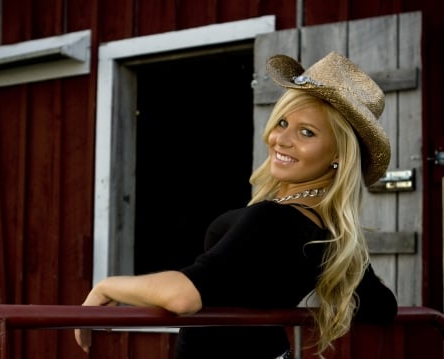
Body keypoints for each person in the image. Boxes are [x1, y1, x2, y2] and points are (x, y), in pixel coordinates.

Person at [74, 51, 398, 359]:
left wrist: (107, 286)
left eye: (307, 132)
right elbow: (381, 306)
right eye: (283, 123)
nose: (281, 139)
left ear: (339, 155)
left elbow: (183, 296)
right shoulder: (330, 231)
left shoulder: (274, 219)